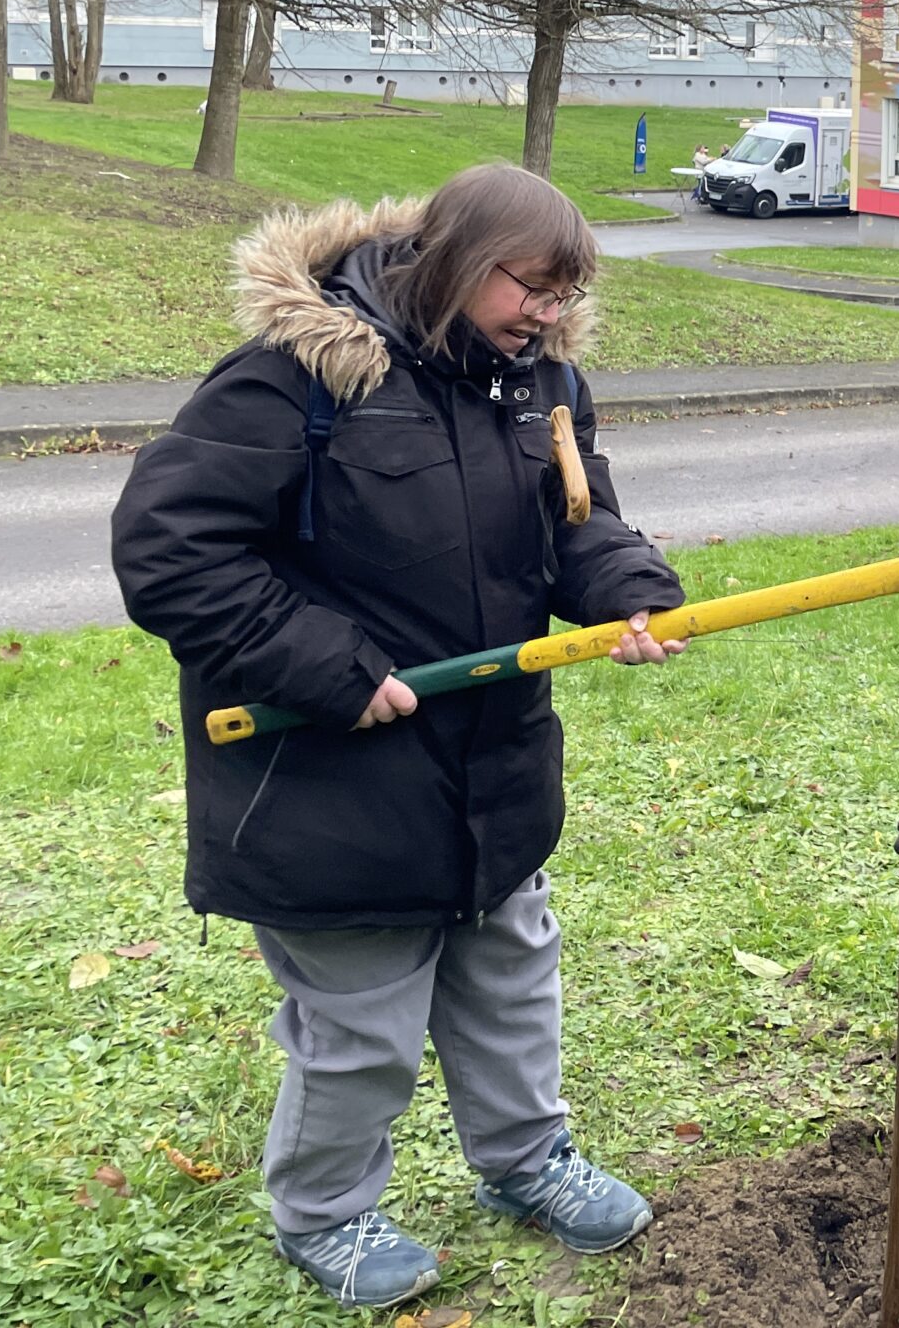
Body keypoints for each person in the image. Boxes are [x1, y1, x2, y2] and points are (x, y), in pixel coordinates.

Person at [111, 164, 686, 1310]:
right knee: (361, 1026)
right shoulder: (296, 383)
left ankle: (527, 1163)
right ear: (455, 263)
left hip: (494, 766)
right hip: (332, 781)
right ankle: (323, 1214)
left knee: (512, 980)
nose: (551, 316)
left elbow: (583, 520)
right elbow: (170, 549)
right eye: (533, 288)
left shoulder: (541, 385)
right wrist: (323, 661)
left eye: (567, 295)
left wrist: (628, 586)